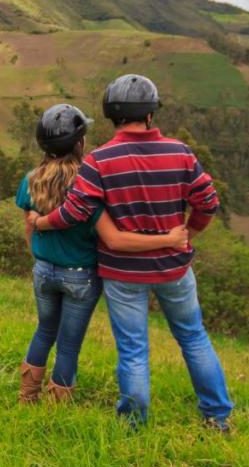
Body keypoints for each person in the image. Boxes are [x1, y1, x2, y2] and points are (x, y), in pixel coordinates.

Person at [28, 76, 234, 431]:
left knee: (133, 349)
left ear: (112, 117)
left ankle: (134, 424)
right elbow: (208, 202)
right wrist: (187, 234)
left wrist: (42, 222)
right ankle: (217, 416)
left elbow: (74, 213)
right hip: (174, 268)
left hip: (122, 273)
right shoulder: (180, 152)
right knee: (194, 337)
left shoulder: (99, 160)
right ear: (150, 115)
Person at [17, 103, 188, 404]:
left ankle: (27, 395)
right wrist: (169, 238)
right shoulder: (89, 181)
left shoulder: (31, 179)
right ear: (79, 142)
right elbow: (110, 235)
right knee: (69, 344)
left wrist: (41, 259)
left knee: (44, 330)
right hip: (81, 275)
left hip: (44, 270)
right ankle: (57, 405)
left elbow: (29, 228)